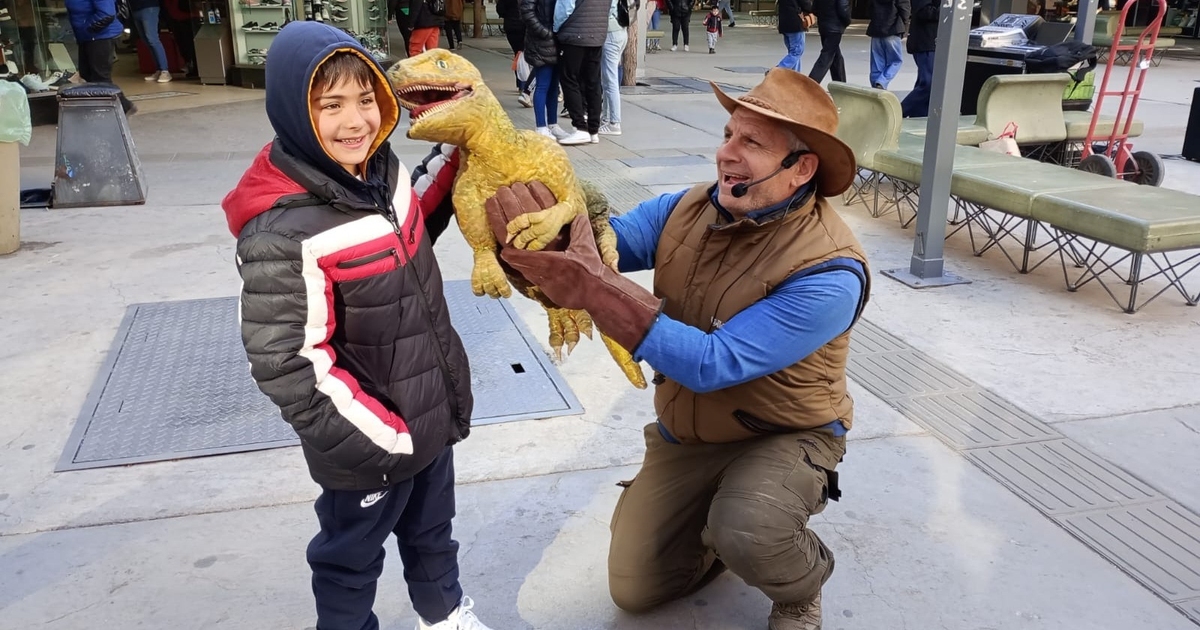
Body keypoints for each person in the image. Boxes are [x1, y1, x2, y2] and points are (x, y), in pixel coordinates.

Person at [486, 68, 870, 630]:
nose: (726, 155)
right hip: (687, 435)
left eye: (751, 143)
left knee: (751, 526)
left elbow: (713, 364)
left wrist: (593, 286)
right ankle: (721, 526)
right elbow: (608, 243)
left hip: (783, 434)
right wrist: (546, 231)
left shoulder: (831, 270)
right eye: (727, 134)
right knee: (636, 590)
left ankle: (798, 582)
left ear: (802, 169)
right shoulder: (686, 208)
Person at [220, 22, 491, 630]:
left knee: (432, 533)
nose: (356, 121)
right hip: (367, 441)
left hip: (427, 411)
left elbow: (409, 218)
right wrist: (381, 437)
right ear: (294, 111)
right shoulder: (282, 232)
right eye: (331, 105)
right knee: (350, 560)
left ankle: (444, 615)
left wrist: (457, 151)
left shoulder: (383, 173)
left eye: (366, 100)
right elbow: (287, 361)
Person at [64, 0, 136, 114]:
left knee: (100, 77)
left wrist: (86, 29)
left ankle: (115, 109)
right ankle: (122, 105)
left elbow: (107, 13)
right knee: (87, 73)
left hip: (101, 35)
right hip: (87, 36)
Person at [554, 0, 609, 145]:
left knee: (569, 79)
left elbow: (565, 8)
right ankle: (593, 129)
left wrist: (555, 28)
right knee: (593, 82)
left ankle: (580, 126)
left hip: (574, 34)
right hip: (597, 35)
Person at [521, 0, 570, 140]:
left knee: (554, 86)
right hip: (541, 41)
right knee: (543, 85)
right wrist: (545, 32)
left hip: (557, 39)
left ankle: (553, 124)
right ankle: (541, 126)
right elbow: (527, 13)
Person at [900, 0, 936, 117]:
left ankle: (919, 116)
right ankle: (898, 112)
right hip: (926, 42)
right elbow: (923, 12)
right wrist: (948, 10)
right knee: (929, 83)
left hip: (935, 42)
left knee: (927, 82)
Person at [599, 0, 628, 134]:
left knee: (610, 80)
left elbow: (606, 10)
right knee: (608, 80)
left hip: (611, 31)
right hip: (621, 30)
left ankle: (614, 122)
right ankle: (606, 119)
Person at [866, 0, 909, 89]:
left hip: (876, 29)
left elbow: (870, 7)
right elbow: (904, 8)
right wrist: (904, 24)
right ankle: (882, 81)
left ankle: (875, 86)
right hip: (893, 28)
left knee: (877, 62)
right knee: (896, 61)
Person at [807, 0, 850, 83]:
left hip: (824, 26)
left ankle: (840, 83)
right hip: (835, 26)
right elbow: (843, 8)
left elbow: (814, 8)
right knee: (827, 56)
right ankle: (811, 83)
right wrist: (847, 21)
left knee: (836, 56)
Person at [130, 0, 171, 82]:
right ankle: (159, 70)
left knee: (152, 39)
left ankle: (164, 70)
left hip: (148, 6)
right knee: (146, 40)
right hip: (136, 8)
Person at [776, 0, 813, 71]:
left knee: (793, 53)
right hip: (795, 23)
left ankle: (795, 76)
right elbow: (806, 4)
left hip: (784, 23)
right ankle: (777, 71)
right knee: (796, 52)